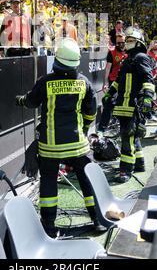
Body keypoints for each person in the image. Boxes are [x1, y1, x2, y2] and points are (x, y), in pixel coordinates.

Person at [15, 38, 104, 236]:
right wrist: (84, 128)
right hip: (78, 146)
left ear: (57, 60)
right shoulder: (84, 82)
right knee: (86, 179)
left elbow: (30, 102)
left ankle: (48, 226)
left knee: (48, 181)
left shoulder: (45, 82)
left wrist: (20, 100)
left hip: (50, 147)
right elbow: (91, 112)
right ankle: (97, 220)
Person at [103, 27, 155, 183]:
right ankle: (139, 164)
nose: (127, 43)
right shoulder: (128, 58)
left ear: (138, 43)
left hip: (133, 106)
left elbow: (148, 79)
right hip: (123, 105)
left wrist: (147, 98)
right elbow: (119, 80)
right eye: (127, 40)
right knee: (132, 136)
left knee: (127, 137)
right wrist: (110, 93)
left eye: (130, 40)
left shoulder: (141, 58)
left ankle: (126, 170)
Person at [98, 33, 127, 134]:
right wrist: (105, 82)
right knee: (108, 102)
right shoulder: (112, 53)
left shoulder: (130, 52)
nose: (121, 44)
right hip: (114, 81)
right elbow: (107, 69)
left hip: (127, 82)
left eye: (123, 42)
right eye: (118, 42)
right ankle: (101, 129)